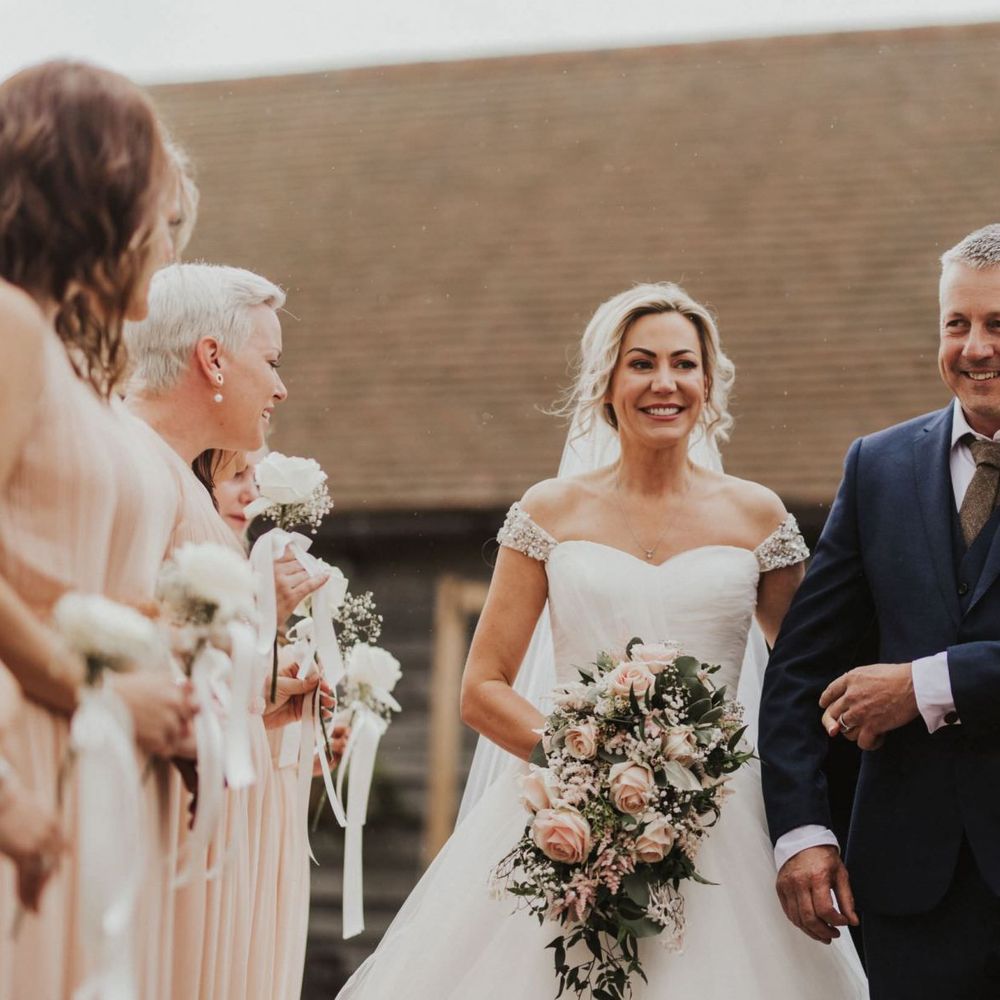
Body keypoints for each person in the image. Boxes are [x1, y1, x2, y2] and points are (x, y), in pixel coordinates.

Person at [337, 282, 867, 998]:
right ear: (607, 384)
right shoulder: (549, 512)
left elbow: (805, 680)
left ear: (708, 383)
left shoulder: (757, 516)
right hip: (572, 810)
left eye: (684, 364)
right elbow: (482, 688)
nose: (665, 382)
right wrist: (589, 762)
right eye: (641, 363)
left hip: (728, 815)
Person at [760, 224, 1000, 1000]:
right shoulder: (879, 466)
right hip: (905, 892)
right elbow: (800, 664)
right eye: (956, 323)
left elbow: (919, 679)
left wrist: (926, 685)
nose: (975, 348)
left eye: (999, 324)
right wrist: (802, 831)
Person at [0, 61, 197, 999]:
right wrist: (96, 694)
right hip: (33, 746)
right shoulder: (7, 324)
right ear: (98, 195)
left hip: (89, 759)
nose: (166, 237)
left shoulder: (48, 345)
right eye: (156, 209)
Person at [126, 262, 328, 1000]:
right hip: (158, 817)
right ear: (212, 358)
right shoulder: (138, 467)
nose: (280, 388)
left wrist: (270, 700)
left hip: (208, 814)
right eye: (270, 363)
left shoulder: (182, 484)